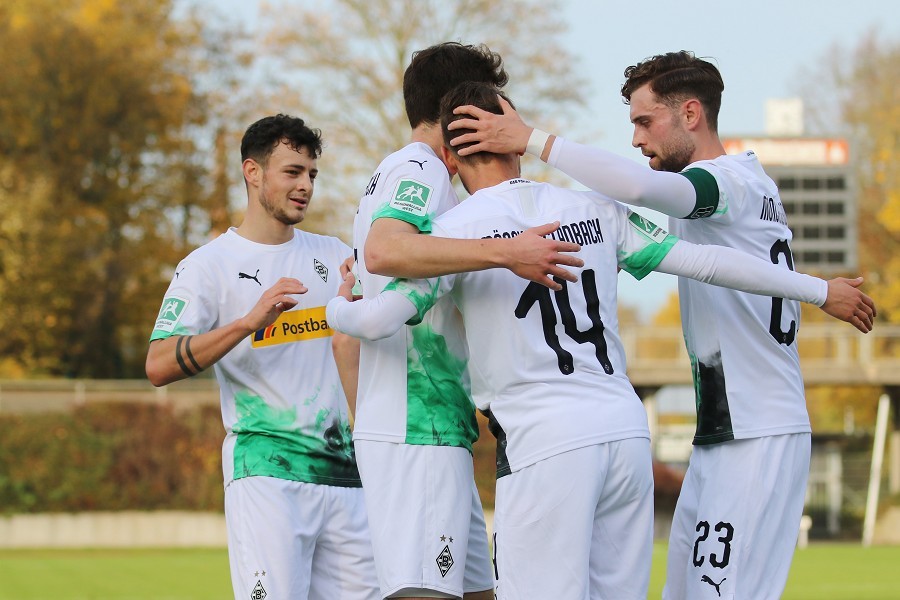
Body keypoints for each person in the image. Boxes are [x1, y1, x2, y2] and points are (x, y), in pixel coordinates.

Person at [327, 82, 874, 600]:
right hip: (624, 435)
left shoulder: (451, 236)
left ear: (451, 156)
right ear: (512, 141)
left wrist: (337, 306)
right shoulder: (595, 209)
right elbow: (710, 262)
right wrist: (817, 290)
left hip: (545, 446)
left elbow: (378, 321)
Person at [145, 114, 379, 600]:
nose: (305, 186)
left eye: (311, 174)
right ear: (253, 172)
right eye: (292, 172)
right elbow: (159, 364)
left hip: (346, 473)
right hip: (268, 474)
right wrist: (247, 323)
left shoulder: (334, 254)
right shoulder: (208, 267)